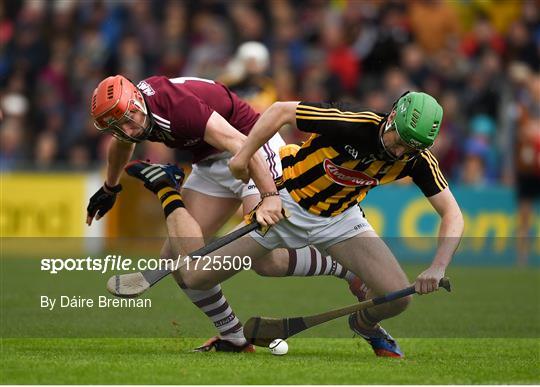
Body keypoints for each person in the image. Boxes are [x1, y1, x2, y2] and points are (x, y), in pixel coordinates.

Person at [128, 91, 464, 358]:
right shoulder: (353, 122)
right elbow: (279, 111)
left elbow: (452, 213)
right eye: (400, 139)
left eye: (411, 147)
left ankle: (366, 326)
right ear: (391, 118)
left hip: (340, 221)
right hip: (283, 203)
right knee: (193, 275)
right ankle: (166, 187)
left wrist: (438, 265)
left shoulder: (416, 160)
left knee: (397, 298)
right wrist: (244, 156)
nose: (400, 150)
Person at [85, 74, 367, 353]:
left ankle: (343, 269)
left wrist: (269, 196)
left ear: (136, 100)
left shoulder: (176, 107)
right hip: (211, 162)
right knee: (178, 260)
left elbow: (240, 145)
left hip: (253, 146)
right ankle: (233, 337)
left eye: (130, 119)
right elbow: (123, 143)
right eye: (120, 126)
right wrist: (110, 187)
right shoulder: (132, 117)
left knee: (266, 261)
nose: (131, 130)